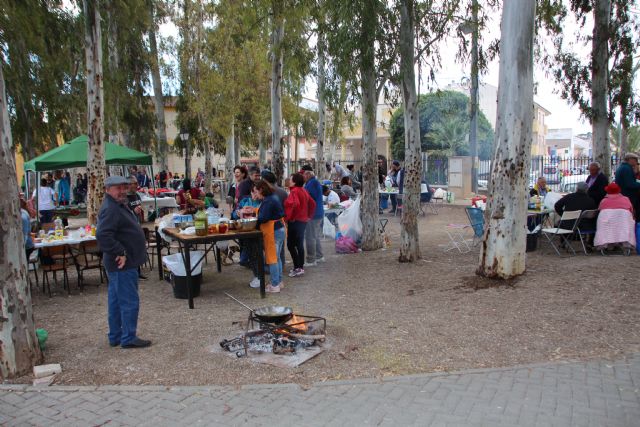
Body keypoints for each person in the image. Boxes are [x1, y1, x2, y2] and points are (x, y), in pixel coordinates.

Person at [96, 176, 150, 349]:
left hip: (121, 264)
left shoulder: (118, 204)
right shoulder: (111, 208)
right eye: (118, 188)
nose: (122, 191)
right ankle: (128, 337)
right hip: (121, 264)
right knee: (128, 301)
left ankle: (116, 336)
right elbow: (103, 235)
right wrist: (120, 252)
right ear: (107, 189)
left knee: (116, 301)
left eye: (124, 187)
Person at [250, 180, 286, 293]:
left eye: (256, 191)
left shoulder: (268, 200)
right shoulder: (271, 197)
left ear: (261, 189)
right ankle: (278, 281)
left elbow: (263, 217)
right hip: (279, 229)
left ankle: (275, 285)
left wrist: (254, 218)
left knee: (272, 259)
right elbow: (265, 213)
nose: (256, 194)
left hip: (273, 231)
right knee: (277, 257)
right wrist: (254, 210)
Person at [285, 173, 316, 278]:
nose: (289, 180)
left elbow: (295, 205)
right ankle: (300, 267)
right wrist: (309, 216)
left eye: (290, 179)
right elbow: (313, 204)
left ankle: (298, 267)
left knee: (291, 245)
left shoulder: (294, 191)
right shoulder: (304, 190)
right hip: (303, 221)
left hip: (295, 221)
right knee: (299, 244)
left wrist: (291, 217)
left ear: (294, 181)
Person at [303, 169, 324, 266]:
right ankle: (319, 256)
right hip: (318, 213)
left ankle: (311, 259)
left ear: (307, 175)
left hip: (313, 214)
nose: (303, 177)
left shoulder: (311, 184)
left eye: (304, 175)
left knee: (310, 237)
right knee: (316, 236)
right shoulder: (316, 182)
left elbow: (308, 198)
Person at [614, 152, 640, 220]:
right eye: (635, 160)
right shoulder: (626, 169)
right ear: (630, 160)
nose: (636, 162)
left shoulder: (622, 167)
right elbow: (630, 184)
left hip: (623, 194)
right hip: (628, 196)